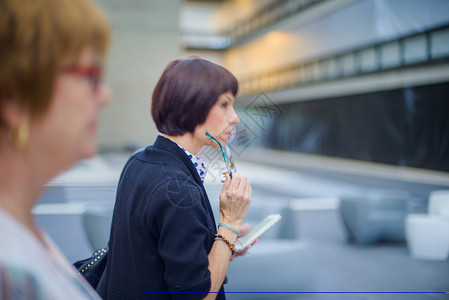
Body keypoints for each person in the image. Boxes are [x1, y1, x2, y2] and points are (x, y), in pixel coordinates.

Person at [98, 57, 253, 300]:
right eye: (225, 104)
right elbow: (199, 296)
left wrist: (225, 242)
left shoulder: (139, 161)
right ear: (193, 106)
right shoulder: (178, 187)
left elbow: (155, 253)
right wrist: (230, 222)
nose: (235, 117)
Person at [0, 0, 111, 298]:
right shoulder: (9, 274)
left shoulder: (20, 230)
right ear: (18, 95)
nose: (105, 95)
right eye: (91, 76)